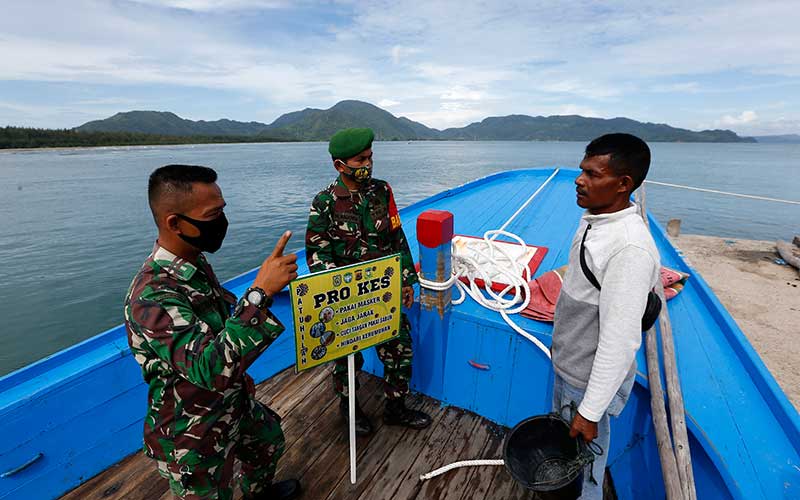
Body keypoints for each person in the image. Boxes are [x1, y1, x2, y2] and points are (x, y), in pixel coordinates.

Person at [124, 165, 301, 500]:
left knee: (267, 442)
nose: (221, 221)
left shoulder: (194, 263)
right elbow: (209, 368)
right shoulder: (152, 295)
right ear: (174, 223)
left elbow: (219, 321)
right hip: (191, 428)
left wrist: (257, 295)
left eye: (223, 210)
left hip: (233, 403)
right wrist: (259, 294)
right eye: (213, 214)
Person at [551, 134, 660, 499]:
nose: (580, 180)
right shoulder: (596, 218)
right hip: (571, 367)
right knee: (568, 457)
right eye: (582, 171)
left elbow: (620, 339)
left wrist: (590, 411)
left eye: (593, 174)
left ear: (623, 184)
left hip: (585, 382)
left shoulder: (629, 248)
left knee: (586, 469)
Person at [305, 127, 431, 435]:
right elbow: (316, 253)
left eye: (370, 157)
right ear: (340, 165)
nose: (368, 164)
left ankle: (395, 407)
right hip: (346, 298)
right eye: (361, 159)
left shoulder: (382, 191)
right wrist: (338, 288)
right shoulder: (324, 202)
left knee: (400, 349)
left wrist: (405, 281)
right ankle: (349, 410)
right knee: (346, 360)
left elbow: (396, 237)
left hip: (383, 292)